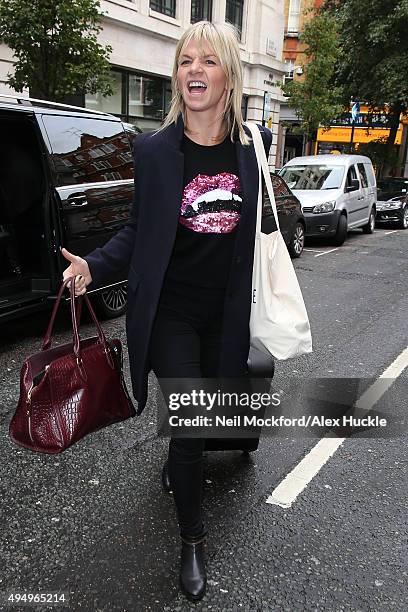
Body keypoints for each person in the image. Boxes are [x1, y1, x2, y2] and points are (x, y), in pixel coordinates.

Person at [62, 20, 272, 602]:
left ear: (228, 74)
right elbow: (138, 231)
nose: (195, 70)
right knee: (190, 424)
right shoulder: (155, 150)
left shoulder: (250, 151)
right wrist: (93, 267)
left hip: (226, 315)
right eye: (186, 62)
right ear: (177, 77)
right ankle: (193, 537)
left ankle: (184, 464)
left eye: (208, 61)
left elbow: (262, 229)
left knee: (204, 421)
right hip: (170, 314)